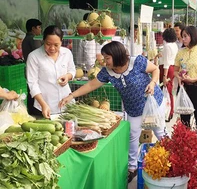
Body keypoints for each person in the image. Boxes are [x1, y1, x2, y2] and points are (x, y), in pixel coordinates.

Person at [58, 41, 166, 183]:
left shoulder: (137, 61)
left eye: (107, 58)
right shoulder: (107, 71)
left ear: (117, 55)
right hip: (133, 109)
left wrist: (152, 83)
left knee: (159, 132)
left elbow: (155, 69)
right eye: (104, 57)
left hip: (152, 104)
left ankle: (172, 158)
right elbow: (91, 84)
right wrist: (71, 95)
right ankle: (132, 168)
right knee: (133, 136)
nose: (104, 61)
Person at [26, 25, 76, 118]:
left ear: (61, 42)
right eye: (48, 44)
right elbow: (32, 84)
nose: (52, 48)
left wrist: (67, 76)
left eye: (56, 45)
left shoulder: (67, 53)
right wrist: (43, 104)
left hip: (66, 103)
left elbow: (72, 70)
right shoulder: (34, 57)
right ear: (43, 40)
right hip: (44, 106)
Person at [174, 26, 197, 145]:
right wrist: (179, 78)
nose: (182, 39)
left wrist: (193, 79)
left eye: (185, 36)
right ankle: (186, 145)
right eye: (182, 36)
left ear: (193, 36)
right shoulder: (180, 53)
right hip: (184, 88)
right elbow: (175, 70)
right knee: (184, 119)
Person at [22, 19, 43, 115]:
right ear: (33, 28)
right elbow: (40, 53)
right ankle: (35, 112)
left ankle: (31, 111)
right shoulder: (33, 39)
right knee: (35, 90)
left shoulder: (25, 39)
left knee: (31, 89)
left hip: (29, 69)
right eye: (39, 27)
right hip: (36, 70)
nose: (40, 30)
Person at [158, 28, 178, 122]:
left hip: (166, 69)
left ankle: (168, 112)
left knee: (165, 90)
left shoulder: (167, 46)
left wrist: (164, 76)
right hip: (172, 68)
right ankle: (170, 111)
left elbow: (166, 62)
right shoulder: (174, 45)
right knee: (169, 91)